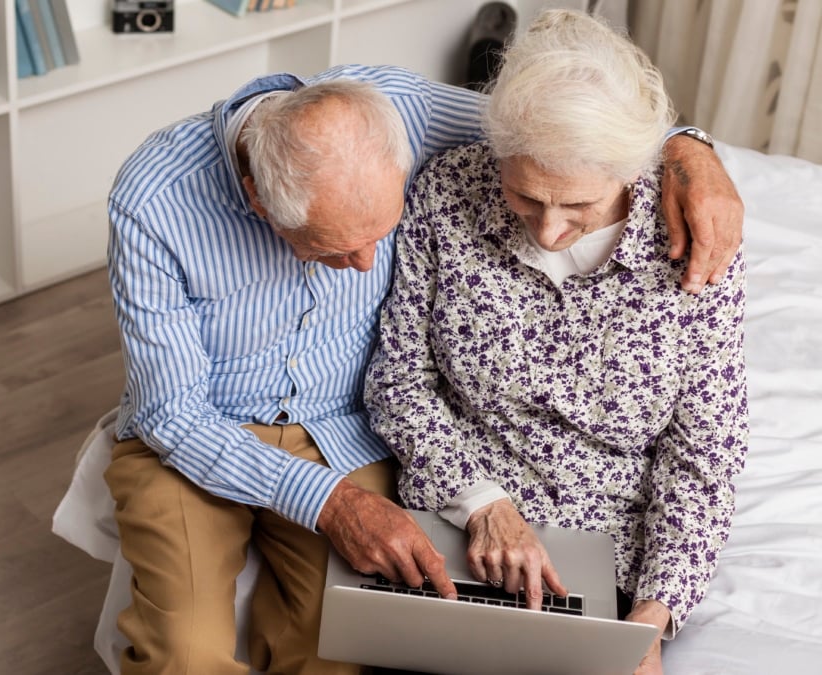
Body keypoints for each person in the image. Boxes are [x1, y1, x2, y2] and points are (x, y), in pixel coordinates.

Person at [106, 59, 743, 673]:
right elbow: (175, 415)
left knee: (342, 647)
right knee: (184, 655)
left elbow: (561, 123)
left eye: (378, 236)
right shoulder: (155, 200)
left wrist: (690, 150)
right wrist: (332, 503)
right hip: (200, 435)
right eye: (331, 249)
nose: (363, 269)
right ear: (256, 199)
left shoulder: (402, 110)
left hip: (339, 426)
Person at [365, 10, 748, 675]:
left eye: (578, 207)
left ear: (634, 170)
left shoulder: (693, 243)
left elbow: (705, 453)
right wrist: (482, 505)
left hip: (608, 553)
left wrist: (648, 622)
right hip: (461, 524)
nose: (546, 230)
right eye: (524, 195)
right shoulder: (444, 196)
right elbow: (399, 383)